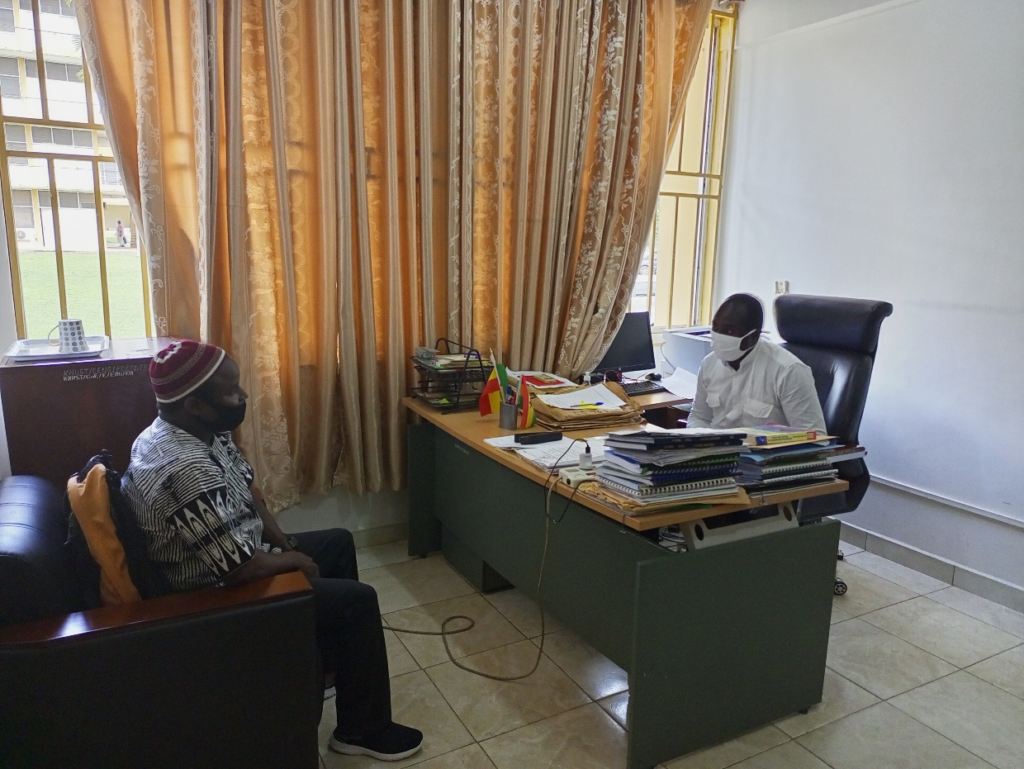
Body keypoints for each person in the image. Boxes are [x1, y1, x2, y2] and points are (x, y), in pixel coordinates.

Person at [122, 340, 423, 762]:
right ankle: (361, 730)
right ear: (193, 404)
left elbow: (249, 492)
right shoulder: (181, 466)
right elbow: (238, 570)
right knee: (358, 601)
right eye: (230, 391)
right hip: (213, 597)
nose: (242, 397)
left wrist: (284, 544)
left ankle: (332, 668)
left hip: (239, 554)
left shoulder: (200, 430)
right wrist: (294, 563)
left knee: (337, 541)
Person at [687, 293, 826, 433]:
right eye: (715, 327)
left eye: (729, 330)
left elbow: (815, 437)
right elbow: (699, 417)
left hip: (769, 452)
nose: (718, 335)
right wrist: (699, 440)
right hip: (717, 451)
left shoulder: (788, 371)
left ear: (753, 335)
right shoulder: (709, 364)